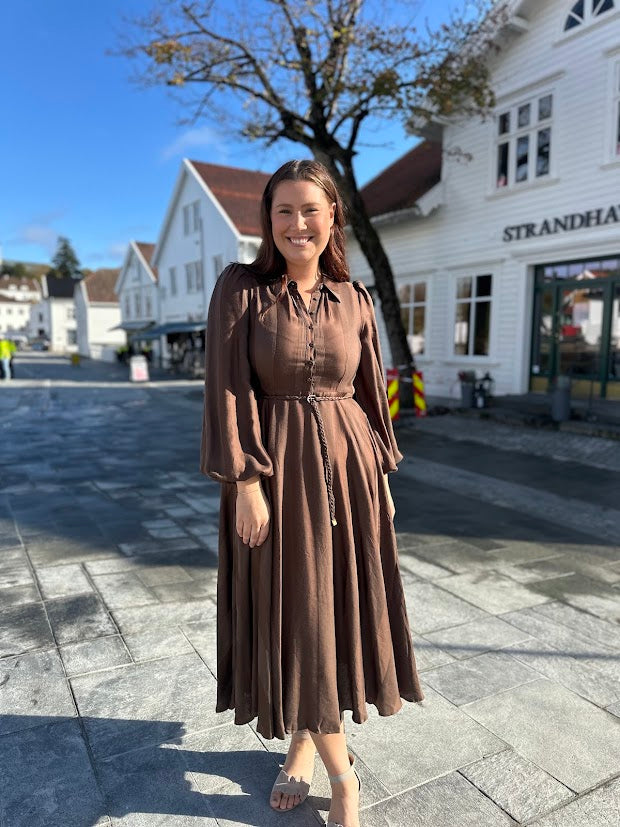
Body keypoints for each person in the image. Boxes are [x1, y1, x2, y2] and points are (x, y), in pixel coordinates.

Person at [200, 160, 424, 827]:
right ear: (267, 222)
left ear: (333, 217)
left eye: (311, 210)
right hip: (276, 466)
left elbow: (369, 395)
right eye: (284, 212)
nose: (299, 224)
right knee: (295, 613)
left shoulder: (354, 297)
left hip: (351, 471)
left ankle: (303, 738)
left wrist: (381, 478)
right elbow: (228, 385)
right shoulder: (242, 289)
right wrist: (246, 482)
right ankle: (343, 774)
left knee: (332, 613)